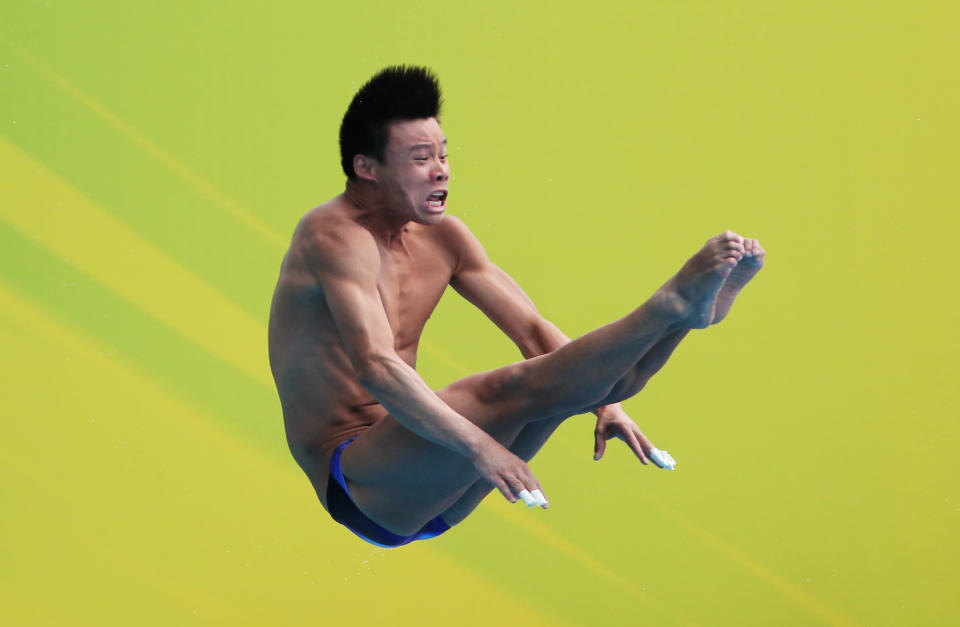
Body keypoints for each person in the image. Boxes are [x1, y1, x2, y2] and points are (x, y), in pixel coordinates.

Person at [267, 66, 765, 548]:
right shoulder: (332, 237)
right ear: (366, 168)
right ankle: (670, 306)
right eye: (421, 159)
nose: (441, 170)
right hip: (359, 481)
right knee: (513, 386)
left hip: (435, 482)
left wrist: (607, 406)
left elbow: (532, 328)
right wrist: (481, 447)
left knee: (570, 387)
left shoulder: (445, 238)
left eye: (443, 154)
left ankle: (684, 319)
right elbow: (376, 366)